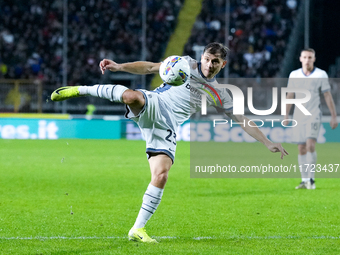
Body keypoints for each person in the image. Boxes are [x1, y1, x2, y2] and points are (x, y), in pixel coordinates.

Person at [51, 42, 288, 243]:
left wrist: (267, 142)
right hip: (156, 103)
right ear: (201, 57)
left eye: (215, 62)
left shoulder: (219, 93)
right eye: (207, 59)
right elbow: (152, 67)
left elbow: (240, 118)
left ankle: (137, 229)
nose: (209, 65)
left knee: (161, 175)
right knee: (132, 96)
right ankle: (79, 89)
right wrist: (119, 66)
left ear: (222, 65)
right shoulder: (183, 64)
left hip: (169, 126)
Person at [284, 48, 338, 189]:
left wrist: (334, 116)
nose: (307, 60)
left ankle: (312, 180)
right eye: (305, 57)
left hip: (314, 114)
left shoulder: (321, 74)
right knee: (301, 148)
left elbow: (327, 95)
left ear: (314, 59)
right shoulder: (294, 75)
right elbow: (290, 95)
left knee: (310, 145)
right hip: (298, 116)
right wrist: (286, 115)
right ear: (301, 59)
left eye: (310, 57)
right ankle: (304, 180)